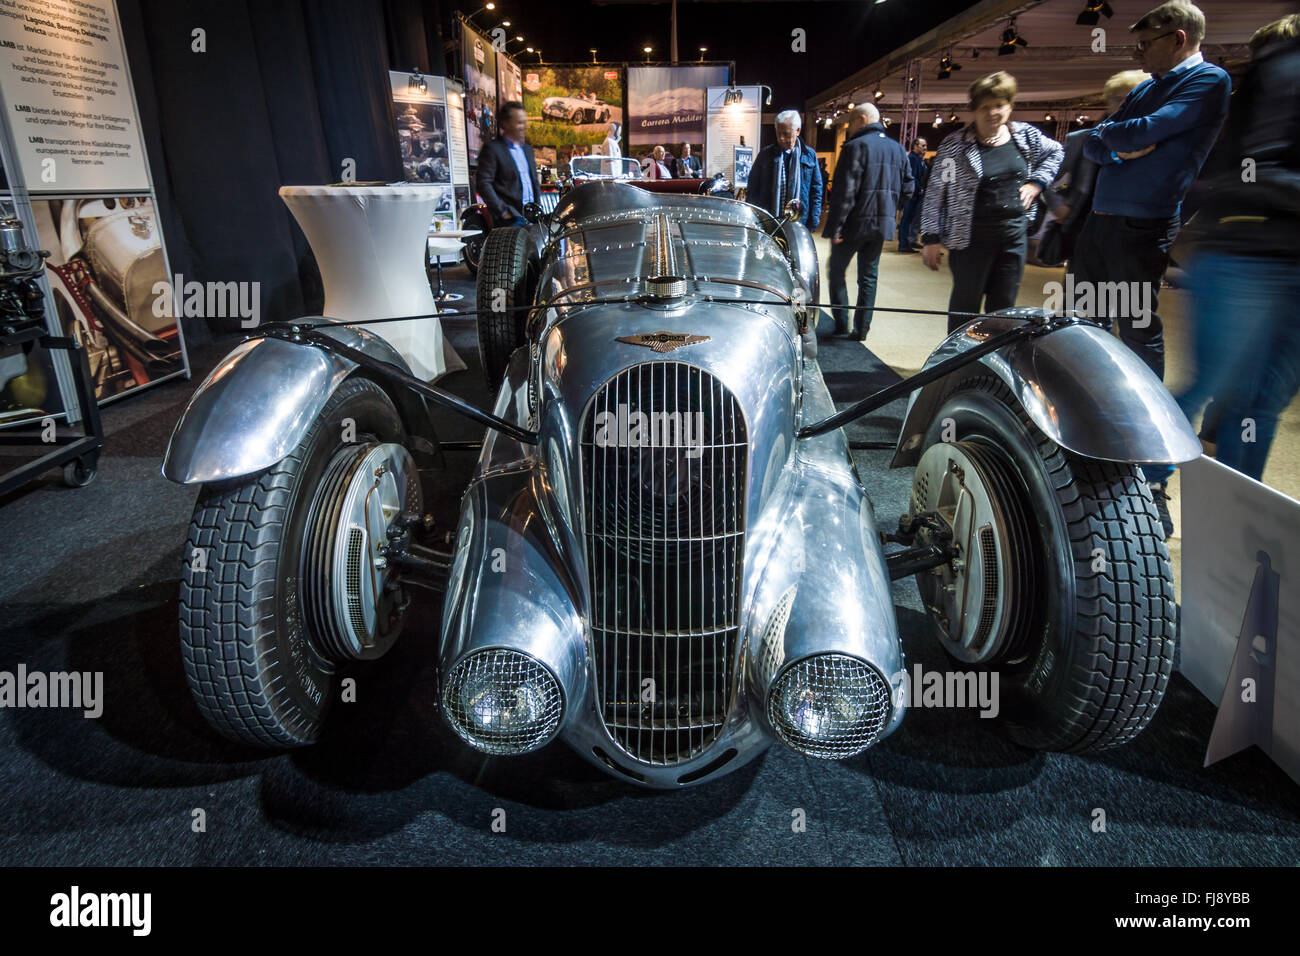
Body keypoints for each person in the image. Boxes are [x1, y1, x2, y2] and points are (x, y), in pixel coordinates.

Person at [1071, 0, 1231, 534]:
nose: (1137, 52)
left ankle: (1147, 470)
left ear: (1179, 38)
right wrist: (1120, 146)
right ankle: (1088, 440)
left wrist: (1121, 140)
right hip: (1101, 223)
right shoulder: (1144, 85)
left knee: (1137, 333)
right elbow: (1098, 140)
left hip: (1143, 227)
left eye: (1146, 42)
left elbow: (1137, 133)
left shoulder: (1208, 82)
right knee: (1085, 327)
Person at [1174, 14, 1300, 484]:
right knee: (1211, 388)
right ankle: (1133, 502)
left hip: (1266, 256)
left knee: (1260, 402)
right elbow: (1250, 168)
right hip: (1247, 254)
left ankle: (1236, 514)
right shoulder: (1280, 71)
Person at [921, 72, 1063, 333]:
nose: (992, 113)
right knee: (965, 307)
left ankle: (994, 364)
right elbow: (935, 192)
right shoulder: (956, 146)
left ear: (1009, 106)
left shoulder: (1026, 136)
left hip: (1013, 236)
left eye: (998, 105)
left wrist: (1037, 183)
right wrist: (931, 238)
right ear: (974, 110)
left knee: (1004, 309)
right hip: (970, 238)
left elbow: (1056, 152)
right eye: (984, 107)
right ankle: (958, 363)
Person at [820, 104, 912, 340]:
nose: (849, 128)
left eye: (850, 123)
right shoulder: (898, 149)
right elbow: (909, 187)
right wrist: (892, 210)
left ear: (861, 119)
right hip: (881, 226)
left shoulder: (855, 147)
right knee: (869, 277)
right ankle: (862, 330)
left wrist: (837, 227)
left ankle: (842, 323)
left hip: (853, 225)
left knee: (837, 272)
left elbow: (845, 193)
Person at [1039, 71, 1149, 265]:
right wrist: (1058, 206)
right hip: (1085, 229)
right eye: (1117, 99)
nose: (1124, 104)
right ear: (1108, 103)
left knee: (1127, 293)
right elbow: (1046, 173)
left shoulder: (1153, 142)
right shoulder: (1082, 140)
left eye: (1131, 97)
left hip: (1135, 232)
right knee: (1082, 291)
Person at [745, 109, 824, 229]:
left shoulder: (809, 155)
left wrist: (813, 220)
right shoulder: (765, 154)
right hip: (769, 221)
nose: (781, 138)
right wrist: (754, 217)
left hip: (799, 221)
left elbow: (816, 190)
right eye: (778, 133)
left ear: (797, 131)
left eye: (786, 134)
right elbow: (753, 188)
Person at [475, 101, 540, 228]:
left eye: (524, 122)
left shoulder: (527, 149)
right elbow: (483, 183)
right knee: (514, 249)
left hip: (532, 216)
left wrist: (538, 207)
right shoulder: (493, 149)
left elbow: (534, 182)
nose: (524, 126)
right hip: (511, 219)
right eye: (519, 122)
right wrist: (502, 211)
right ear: (505, 124)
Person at [896, 137, 929, 252]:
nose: (925, 148)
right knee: (906, 220)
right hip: (912, 195)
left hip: (915, 194)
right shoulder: (912, 159)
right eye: (923, 145)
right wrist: (919, 189)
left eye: (925, 146)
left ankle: (908, 242)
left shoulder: (919, 160)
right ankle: (903, 245)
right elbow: (913, 177)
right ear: (915, 146)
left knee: (910, 220)